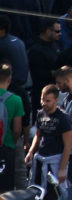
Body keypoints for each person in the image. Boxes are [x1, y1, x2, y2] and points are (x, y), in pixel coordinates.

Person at [27, 85, 71, 194]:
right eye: (42, 100)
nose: (44, 103)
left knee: (56, 193)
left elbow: (68, 144)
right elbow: (38, 135)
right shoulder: (40, 114)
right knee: (37, 191)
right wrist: (31, 152)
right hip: (41, 158)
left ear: (56, 100)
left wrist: (62, 169)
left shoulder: (63, 118)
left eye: (48, 101)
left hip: (55, 161)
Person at [0, 62, 25, 190]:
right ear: (9, 79)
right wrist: (13, 142)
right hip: (7, 147)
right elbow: (17, 130)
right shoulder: (16, 100)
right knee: (6, 186)